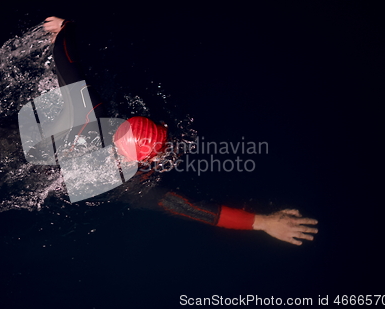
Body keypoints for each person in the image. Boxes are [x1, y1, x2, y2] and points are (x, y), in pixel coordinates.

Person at [43, 16, 318, 246]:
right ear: (142, 160)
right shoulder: (131, 185)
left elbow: (67, 65)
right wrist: (265, 222)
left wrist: (66, 28)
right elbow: (193, 209)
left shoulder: (92, 114)